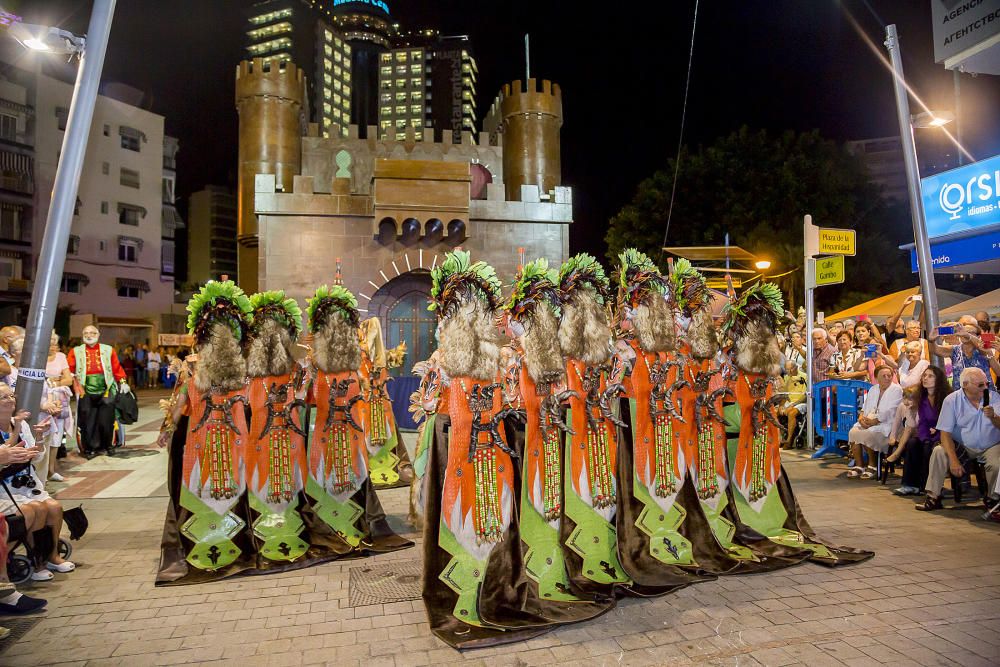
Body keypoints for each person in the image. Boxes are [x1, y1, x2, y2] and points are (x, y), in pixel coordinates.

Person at [0, 384, 76, 581]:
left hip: (26, 482)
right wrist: (16, 431)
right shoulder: (18, 423)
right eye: (4, 397)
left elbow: (36, 456)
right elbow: (7, 455)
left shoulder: (22, 423)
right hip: (6, 487)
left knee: (54, 507)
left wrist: (40, 437)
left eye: (11, 396)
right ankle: (37, 561)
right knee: (38, 509)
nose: (10, 400)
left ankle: (52, 556)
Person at [916, 367, 1000, 512]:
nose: (985, 387)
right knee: (938, 452)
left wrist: (994, 417)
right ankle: (933, 497)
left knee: (997, 464)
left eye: (986, 383)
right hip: (961, 444)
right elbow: (945, 433)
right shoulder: (952, 400)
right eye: (980, 385)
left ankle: (993, 500)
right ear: (965, 385)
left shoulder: (995, 397)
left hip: (990, 445)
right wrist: (954, 461)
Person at [68, 325, 130, 458]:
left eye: (92, 333)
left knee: (106, 420)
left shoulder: (108, 350)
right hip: (85, 389)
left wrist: (123, 382)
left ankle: (107, 446)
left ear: (98, 334)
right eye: (86, 333)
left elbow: (116, 367)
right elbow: (69, 370)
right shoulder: (76, 351)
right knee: (87, 421)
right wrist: (73, 382)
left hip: (106, 389)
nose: (89, 335)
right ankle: (89, 448)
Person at [891, 365, 949, 496]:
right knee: (912, 443)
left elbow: (949, 420)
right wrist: (924, 437)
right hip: (927, 433)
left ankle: (926, 485)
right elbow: (922, 422)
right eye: (924, 375)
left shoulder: (946, 398)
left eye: (930, 376)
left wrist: (937, 431)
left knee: (929, 447)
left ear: (938, 379)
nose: (925, 378)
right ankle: (909, 484)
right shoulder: (921, 398)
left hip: (944, 433)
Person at [846, 365, 902, 479]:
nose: (887, 378)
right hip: (869, 420)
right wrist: (861, 418)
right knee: (853, 431)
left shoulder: (897, 389)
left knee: (869, 433)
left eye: (889, 375)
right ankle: (859, 465)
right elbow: (864, 406)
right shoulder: (873, 389)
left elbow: (892, 410)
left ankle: (872, 466)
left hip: (887, 425)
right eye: (883, 376)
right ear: (876, 377)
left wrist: (875, 421)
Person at [39, 332, 73, 483]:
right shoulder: (38, 356)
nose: (52, 346)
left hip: (59, 399)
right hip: (42, 399)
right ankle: (40, 471)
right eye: (50, 342)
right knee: (42, 435)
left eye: (55, 343)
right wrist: (54, 380)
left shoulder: (61, 357)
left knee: (56, 436)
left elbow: (69, 380)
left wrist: (56, 382)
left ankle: (51, 471)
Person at [929, 319, 998, 391]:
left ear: (977, 336)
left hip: (985, 395)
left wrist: (967, 335)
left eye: (970, 332)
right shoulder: (955, 350)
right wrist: (931, 341)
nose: (963, 333)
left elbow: (981, 345)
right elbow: (935, 350)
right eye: (962, 331)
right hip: (961, 396)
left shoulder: (984, 350)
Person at [780, 360, 808, 449]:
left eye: (790, 369)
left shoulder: (805, 377)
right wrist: (781, 406)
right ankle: (779, 438)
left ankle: (789, 440)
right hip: (790, 402)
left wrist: (792, 405)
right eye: (786, 370)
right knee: (774, 412)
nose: (788, 372)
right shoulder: (787, 377)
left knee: (791, 413)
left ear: (795, 368)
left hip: (802, 402)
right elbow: (785, 395)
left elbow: (805, 396)